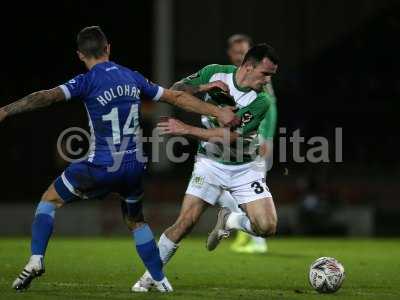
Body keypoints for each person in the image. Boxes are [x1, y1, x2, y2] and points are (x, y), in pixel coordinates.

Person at [0, 26, 238, 292]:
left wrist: (6, 110)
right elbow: (177, 97)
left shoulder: (86, 81)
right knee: (136, 221)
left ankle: (36, 259)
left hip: (100, 165)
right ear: (108, 48)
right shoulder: (132, 77)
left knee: (48, 201)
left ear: (80, 55)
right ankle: (159, 280)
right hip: (134, 166)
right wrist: (217, 111)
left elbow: (45, 97)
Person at [133, 43, 278, 291]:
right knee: (186, 222)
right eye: (265, 74)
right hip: (209, 164)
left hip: (245, 167)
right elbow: (175, 91)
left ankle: (231, 219)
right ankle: (149, 278)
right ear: (248, 66)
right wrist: (203, 87)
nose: (267, 81)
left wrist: (186, 130)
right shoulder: (214, 72)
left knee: (267, 227)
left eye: (271, 76)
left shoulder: (262, 100)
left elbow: (230, 136)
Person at [224, 34, 278, 254]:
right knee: (227, 191)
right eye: (237, 52)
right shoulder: (228, 76)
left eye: (243, 52)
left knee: (253, 189)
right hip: (233, 143)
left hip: (256, 142)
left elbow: (270, 107)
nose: (240, 56)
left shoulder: (260, 77)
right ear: (230, 54)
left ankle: (256, 240)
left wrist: (266, 136)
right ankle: (246, 233)